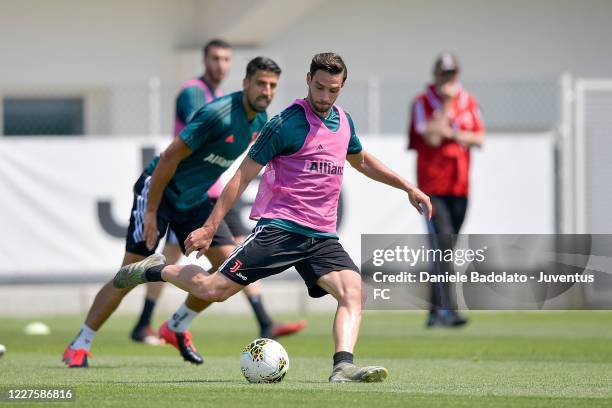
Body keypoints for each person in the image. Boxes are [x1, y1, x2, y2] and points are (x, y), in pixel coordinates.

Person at [112, 52, 432, 382]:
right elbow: (241, 176)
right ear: (308, 79)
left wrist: (407, 186)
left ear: (342, 86)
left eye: (332, 90)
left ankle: (342, 366)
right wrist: (209, 226)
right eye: (319, 87)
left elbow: (362, 161)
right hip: (279, 230)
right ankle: (156, 268)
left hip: (321, 237)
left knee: (354, 292)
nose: (324, 97)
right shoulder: (284, 123)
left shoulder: (344, 123)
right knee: (212, 290)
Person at [63, 57, 285, 368]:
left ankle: (176, 326)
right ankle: (80, 344)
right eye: (261, 83)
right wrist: (152, 211)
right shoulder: (217, 114)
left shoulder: (260, 122)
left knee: (233, 270)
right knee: (130, 272)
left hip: (193, 201)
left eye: (273, 85)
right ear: (246, 83)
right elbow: (168, 158)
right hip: (159, 191)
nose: (267, 90)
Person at [131, 39, 305, 345]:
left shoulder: (234, 100)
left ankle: (260, 321)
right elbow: (203, 132)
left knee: (234, 258)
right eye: (215, 58)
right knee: (176, 256)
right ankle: (147, 323)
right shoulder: (195, 93)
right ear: (204, 59)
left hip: (214, 194)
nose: (220, 64)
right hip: (189, 192)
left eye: (226, 59)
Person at [407, 52, 484, 327]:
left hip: (460, 187)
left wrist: (455, 134)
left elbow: (479, 137)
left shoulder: (469, 101)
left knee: (446, 249)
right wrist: (448, 104)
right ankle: (447, 311)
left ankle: (433, 312)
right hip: (432, 189)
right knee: (443, 246)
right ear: (436, 76)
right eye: (444, 75)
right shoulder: (422, 102)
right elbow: (431, 134)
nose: (448, 80)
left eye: (452, 75)